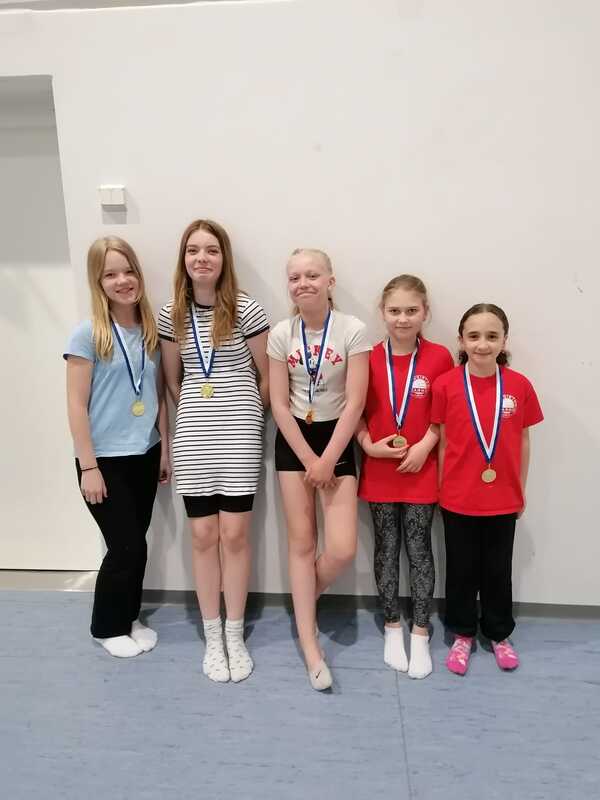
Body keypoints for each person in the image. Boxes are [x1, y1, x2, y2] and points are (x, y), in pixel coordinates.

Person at [159, 219, 269, 683]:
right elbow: (173, 381)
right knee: (203, 536)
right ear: (183, 259)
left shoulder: (247, 309)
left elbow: (268, 377)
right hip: (193, 438)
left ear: (224, 258)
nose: (201, 258)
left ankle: (235, 634)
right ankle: (212, 635)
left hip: (240, 436)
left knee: (235, 536)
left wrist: (244, 414)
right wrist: (200, 415)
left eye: (211, 250)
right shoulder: (171, 314)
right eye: (193, 250)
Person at [268, 248, 370, 690]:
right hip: (294, 439)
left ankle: (304, 598)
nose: (303, 283)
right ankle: (310, 645)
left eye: (312, 275)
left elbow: (356, 401)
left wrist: (328, 457)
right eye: (294, 277)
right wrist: (310, 459)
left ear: (330, 280)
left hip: (337, 439)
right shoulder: (281, 333)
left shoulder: (353, 329)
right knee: (302, 542)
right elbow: (278, 403)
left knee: (342, 549)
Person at [65, 236, 170, 658]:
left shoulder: (150, 331)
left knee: (136, 543)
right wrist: (88, 466)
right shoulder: (88, 334)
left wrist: (164, 449)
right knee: (124, 546)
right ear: (98, 282)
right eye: (111, 274)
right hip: (103, 461)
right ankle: (106, 627)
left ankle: (129, 617)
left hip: (144, 454)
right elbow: (76, 404)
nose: (123, 280)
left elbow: (158, 395)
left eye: (128, 271)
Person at [431, 303, 543, 675]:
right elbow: (443, 442)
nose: (483, 344)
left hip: (503, 498)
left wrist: (520, 489)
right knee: (461, 569)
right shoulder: (446, 384)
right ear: (461, 340)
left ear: (504, 340)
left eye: (492, 336)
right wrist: (443, 488)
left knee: (498, 570)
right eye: (474, 336)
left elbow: (523, 440)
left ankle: (499, 633)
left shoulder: (519, 386)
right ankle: (462, 633)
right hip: (458, 497)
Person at [356, 275, 453, 678]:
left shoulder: (440, 357)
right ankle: (392, 627)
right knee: (386, 548)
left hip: (420, 470)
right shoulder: (366, 356)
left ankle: (421, 632)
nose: (402, 318)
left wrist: (425, 446)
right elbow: (355, 412)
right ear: (382, 313)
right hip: (380, 469)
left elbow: (446, 413)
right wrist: (367, 445)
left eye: (411, 310)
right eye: (394, 310)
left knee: (419, 550)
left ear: (425, 313)